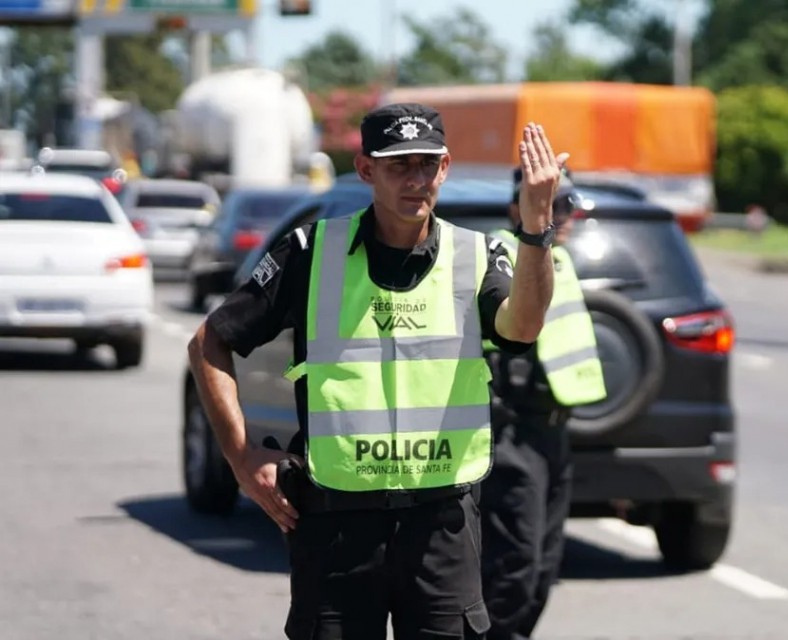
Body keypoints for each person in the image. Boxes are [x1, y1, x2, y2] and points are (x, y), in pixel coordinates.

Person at [186, 103, 568, 640]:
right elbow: (210, 342)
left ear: (445, 167)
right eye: (398, 165)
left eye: (427, 164)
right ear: (366, 170)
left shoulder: (477, 254)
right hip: (335, 526)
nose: (416, 180)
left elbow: (523, 328)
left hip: (441, 525)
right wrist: (241, 456)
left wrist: (536, 226)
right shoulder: (311, 252)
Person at [480, 166, 608, 639]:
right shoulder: (501, 254)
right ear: (519, 209)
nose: (567, 215)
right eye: (556, 205)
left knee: (543, 569)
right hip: (512, 429)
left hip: (554, 431)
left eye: (570, 204)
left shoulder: (560, 260)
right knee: (514, 563)